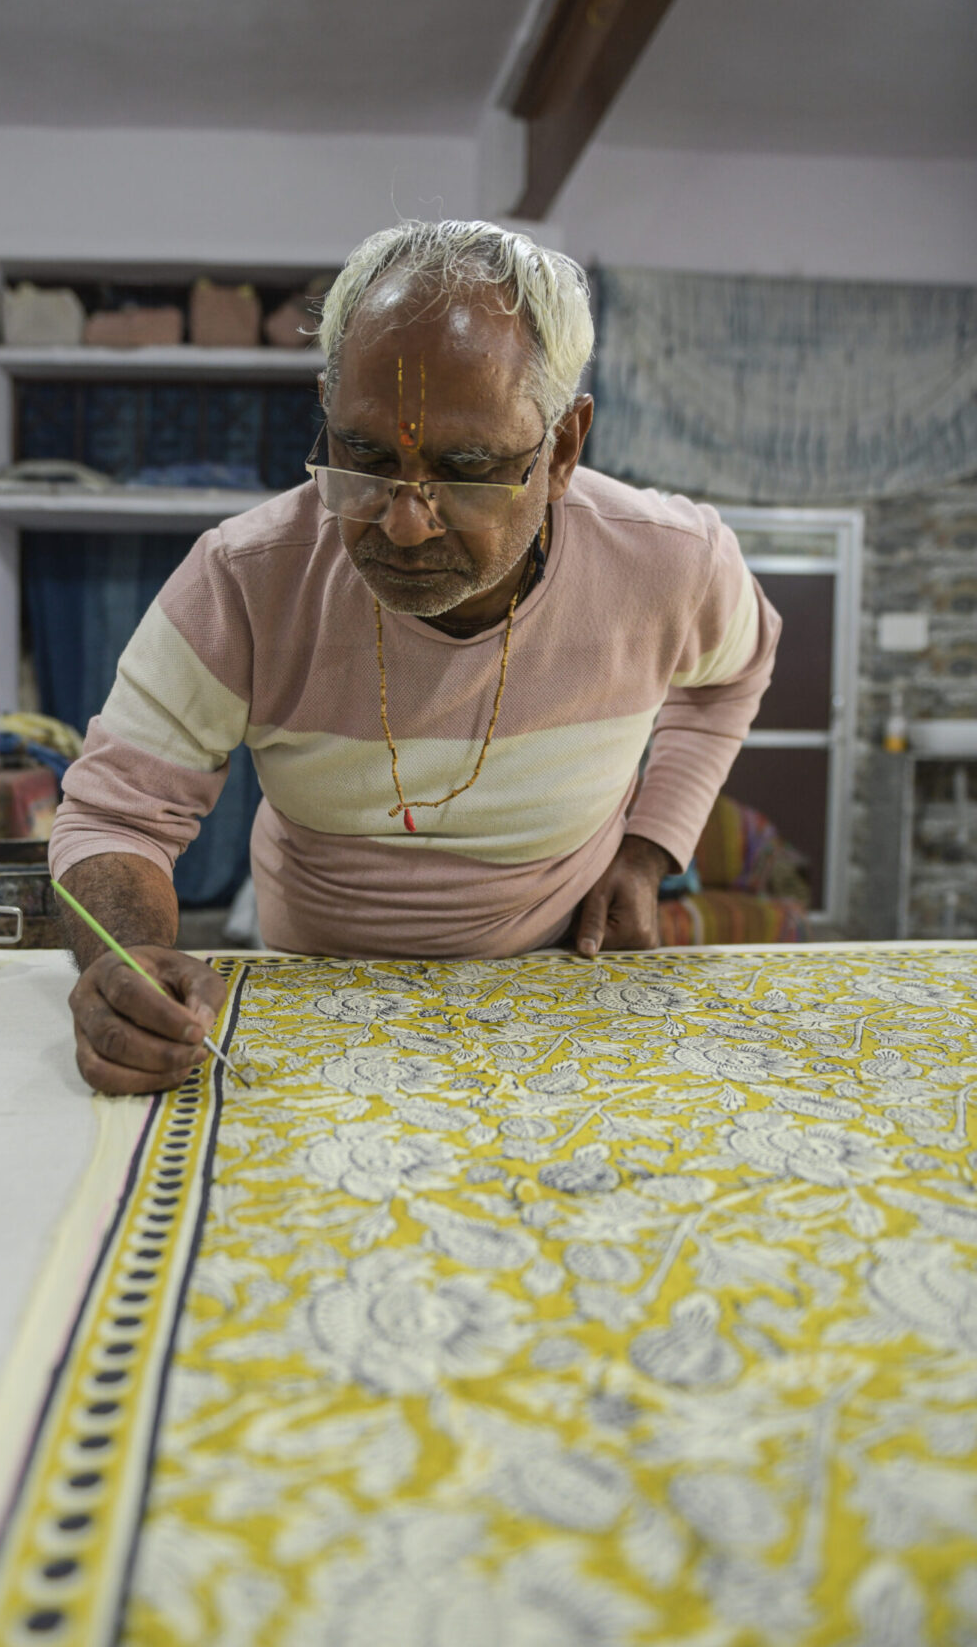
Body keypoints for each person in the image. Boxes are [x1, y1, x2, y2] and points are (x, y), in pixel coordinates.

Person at [51, 220, 780, 1094]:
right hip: (309, 990)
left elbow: (737, 672)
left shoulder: (669, 564)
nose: (401, 523)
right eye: (361, 456)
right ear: (328, 409)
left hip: (559, 985)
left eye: (466, 467)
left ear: (563, 448)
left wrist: (651, 847)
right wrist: (128, 961)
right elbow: (117, 816)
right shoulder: (246, 578)